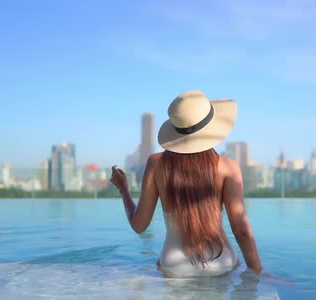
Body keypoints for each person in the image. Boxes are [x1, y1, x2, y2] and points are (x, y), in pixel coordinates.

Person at [110, 90, 263, 278]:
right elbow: (241, 230)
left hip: (174, 264)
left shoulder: (156, 163)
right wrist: (258, 273)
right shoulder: (228, 167)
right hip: (221, 262)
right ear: (212, 128)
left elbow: (139, 225)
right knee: (234, 265)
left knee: (160, 268)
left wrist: (123, 189)